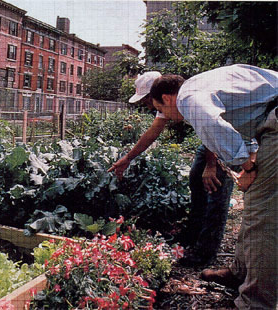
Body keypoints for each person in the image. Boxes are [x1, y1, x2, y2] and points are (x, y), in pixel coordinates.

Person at [149, 64, 278, 310]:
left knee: (265, 218)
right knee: (256, 207)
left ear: (167, 97)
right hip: (270, 117)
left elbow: (211, 124)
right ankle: (240, 272)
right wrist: (249, 155)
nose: (166, 117)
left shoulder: (188, 98)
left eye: (160, 109)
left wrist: (246, 167)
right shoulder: (201, 83)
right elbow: (247, 115)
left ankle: (256, 302)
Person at [108, 71, 237, 267]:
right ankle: (192, 234)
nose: (147, 106)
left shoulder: (189, 100)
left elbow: (213, 127)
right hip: (212, 138)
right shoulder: (168, 102)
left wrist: (212, 165)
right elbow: (152, 133)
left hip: (229, 136)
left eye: (147, 101)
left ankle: (205, 253)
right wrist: (127, 158)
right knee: (196, 178)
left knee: (215, 187)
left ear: (159, 94)